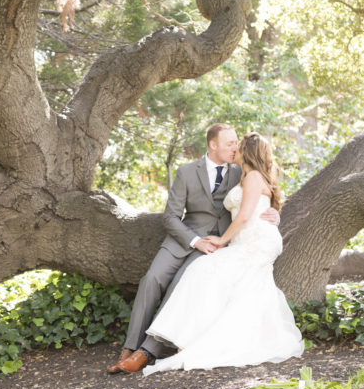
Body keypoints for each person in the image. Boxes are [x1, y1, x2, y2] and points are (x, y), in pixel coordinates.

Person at [107, 124, 280, 375]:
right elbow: (170, 217)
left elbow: (259, 200)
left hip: (216, 242)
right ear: (213, 145)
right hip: (183, 239)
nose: (234, 148)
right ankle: (129, 346)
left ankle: (146, 352)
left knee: (182, 283)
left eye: (236, 144)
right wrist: (193, 240)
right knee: (151, 280)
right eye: (229, 143)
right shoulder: (187, 172)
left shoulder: (240, 171)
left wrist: (274, 213)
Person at [142, 132, 304, 375]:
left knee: (204, 270)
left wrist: (221, 239)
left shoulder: (253, 177)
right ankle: (216, 337)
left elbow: (246, 214)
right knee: (241, 287)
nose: (233, 150)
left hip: (254, 241)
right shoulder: (245, 176)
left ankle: (198, 341)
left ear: (247, 152)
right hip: (248, 239)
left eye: (237, 147)